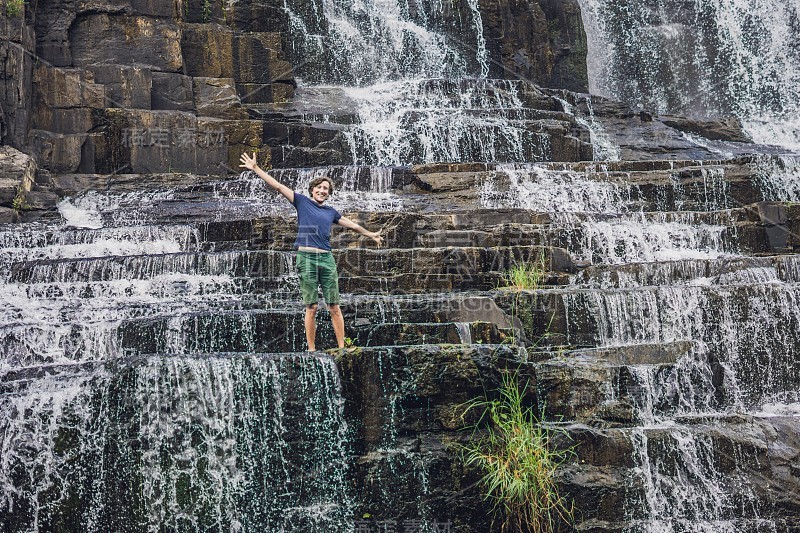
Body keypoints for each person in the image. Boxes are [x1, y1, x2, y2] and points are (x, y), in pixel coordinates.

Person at [239, 152, 383, 351]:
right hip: (306, 258)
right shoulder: (301, 202)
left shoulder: (331, 212)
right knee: (312, 307)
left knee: (334, 306)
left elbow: (353, 226)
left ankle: (342, 347)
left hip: (326, 259)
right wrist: (256, 169)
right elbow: (278, 186)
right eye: (319, 187)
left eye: (326, 189)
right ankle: (311, 348)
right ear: (312, 190)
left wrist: (371, 234)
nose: (322, 191)